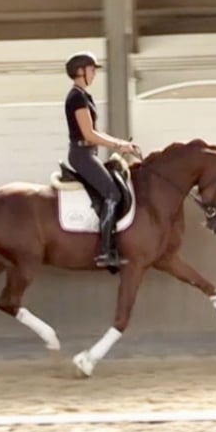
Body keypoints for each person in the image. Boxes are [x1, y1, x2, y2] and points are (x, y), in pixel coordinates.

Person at [63, 51, 140, 269]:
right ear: (80, 71)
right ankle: (105, 251)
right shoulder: (76, 97)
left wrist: (121, 143)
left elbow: (95, 133)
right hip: (82, 155)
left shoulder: (84, 96)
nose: (93, 74)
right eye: (91, 70)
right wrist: (119, 144)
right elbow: (89, 134)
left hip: (89, 153)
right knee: (112, 193)